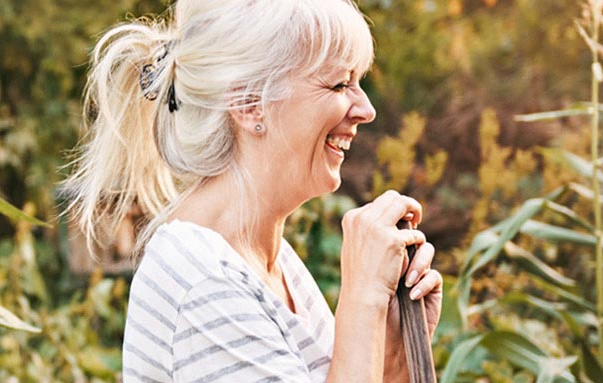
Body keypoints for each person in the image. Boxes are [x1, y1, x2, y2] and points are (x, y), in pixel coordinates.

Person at [60, 0, 443, 381]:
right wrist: (363, 298)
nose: (366, 108)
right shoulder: (205, 283)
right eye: (340, 83)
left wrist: (391, 351)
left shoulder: (268, 263)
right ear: (250, 105)